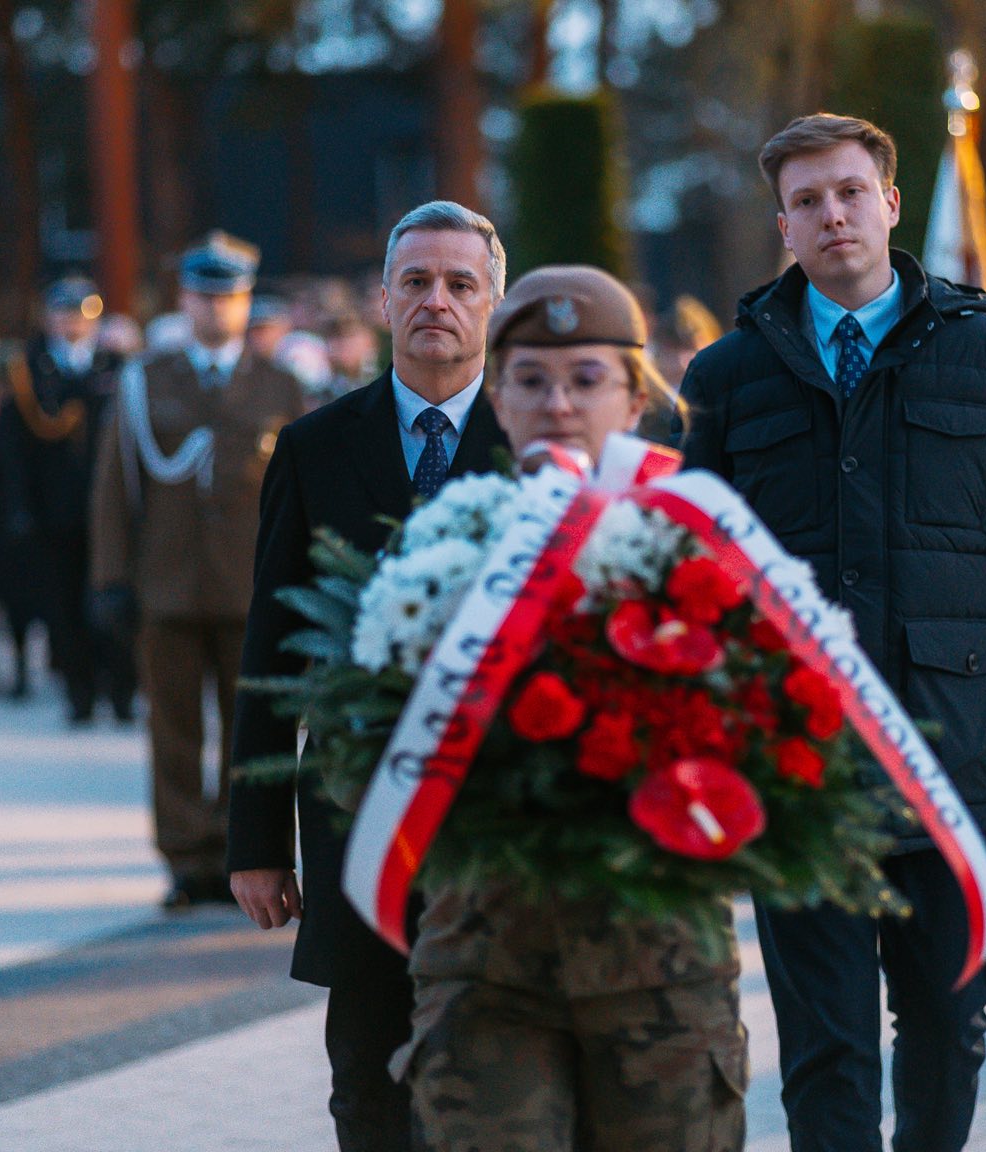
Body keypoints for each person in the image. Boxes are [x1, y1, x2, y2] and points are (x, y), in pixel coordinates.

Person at [677, 114, 986, 1152]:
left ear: (890, 204)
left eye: (849, 192)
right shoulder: (726, 377)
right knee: (827, 1051)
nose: (833, 215)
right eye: (807, 201)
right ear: (783, 226)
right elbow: (694, 592)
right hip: (796, 769)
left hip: (949, 751)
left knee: (950, 1025)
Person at [391, 264, 739, 1150]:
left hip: (659, 969)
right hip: (485, 968)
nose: (557, 404)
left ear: (635, 400)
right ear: (496, 400)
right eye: (531, 380)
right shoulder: (437, 557)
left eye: (586, 380)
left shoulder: (699, 551)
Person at [226, 201, 511, 1152]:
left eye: (461, 283)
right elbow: (272, 646)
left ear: (493, 302)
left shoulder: (539, 444)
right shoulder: (315, 447)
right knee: (368, 1079)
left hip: (500, 826)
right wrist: (255, 839)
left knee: (492, 1083)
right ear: (384, 301)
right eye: (416, 282)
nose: (438, 301)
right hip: (357, 820)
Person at [90, 231, 305, 909]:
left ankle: (244, 855)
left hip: (253, 590)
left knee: (252, 731)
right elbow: (114, 486)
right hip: (167, 586)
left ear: (247, 301)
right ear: (183, 301)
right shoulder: (145, 380)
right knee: (174, 732)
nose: (215, 308)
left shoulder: (283, 385)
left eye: (228, 296)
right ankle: (186, 858)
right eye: (203, 296)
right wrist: (110, 578)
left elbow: (304, 495)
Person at [0, 276, 133, 723]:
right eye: (64, 313)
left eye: (83, 313)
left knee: (114, 600)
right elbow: (13, 448)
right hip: (55, 510)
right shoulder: (28, 370)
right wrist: (19, 506)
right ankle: (79, 694)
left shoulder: (116, 365)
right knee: (65, 606)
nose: (73, 322)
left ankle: (122, 691)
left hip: (110, 508)